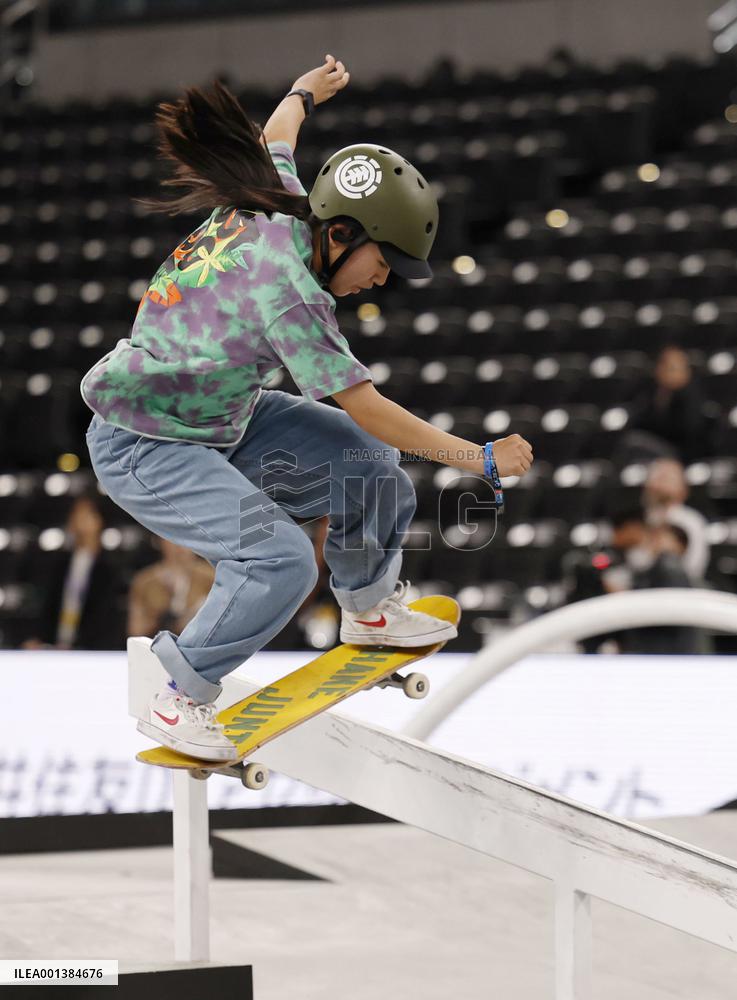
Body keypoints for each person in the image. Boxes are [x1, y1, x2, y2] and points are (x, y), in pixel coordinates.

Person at [81, 56, 534, 761]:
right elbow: (369, 407)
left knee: (370, 468)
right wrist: (474, 458)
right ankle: (180, 697)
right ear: (344, 233)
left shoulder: (280, 196)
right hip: (143, 444)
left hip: (220, 417)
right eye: (382, 262)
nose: (381, 279)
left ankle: (367, 608)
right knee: (280, 561)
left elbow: (278, 133)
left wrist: (303, 91)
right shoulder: (293, 293)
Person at [22, 491, 125, 650]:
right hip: (55, 646)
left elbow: (105, 619)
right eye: (76, 514)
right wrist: (39, 639)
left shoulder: (109, 569)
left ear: (99, 520)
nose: (79, 520)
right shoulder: (60, 565)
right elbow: (48, 608)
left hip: (90, 650)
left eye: (86, 514)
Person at [128, 537, 215, 638]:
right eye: (172, 538)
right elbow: (135, 631)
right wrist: (163, 617)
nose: (180, 546)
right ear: (161, 541)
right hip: (156, 647)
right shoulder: (144, 581)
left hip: (200, 645)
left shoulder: (212, 576)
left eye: (186, 536)